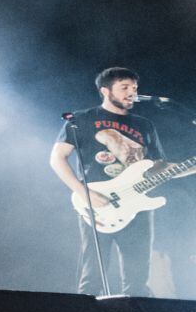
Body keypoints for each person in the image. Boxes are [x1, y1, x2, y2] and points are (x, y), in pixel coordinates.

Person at [49, 67, 164, 296]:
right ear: (105, 91)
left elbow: (158, 165)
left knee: (138, 278)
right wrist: (83, 193)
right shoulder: (82, 119)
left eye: (134, 88)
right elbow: (57, 159)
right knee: (92, 277)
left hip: (137, 204)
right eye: (124, 87)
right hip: (97, 205)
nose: (131, 92)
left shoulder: (145, 125)